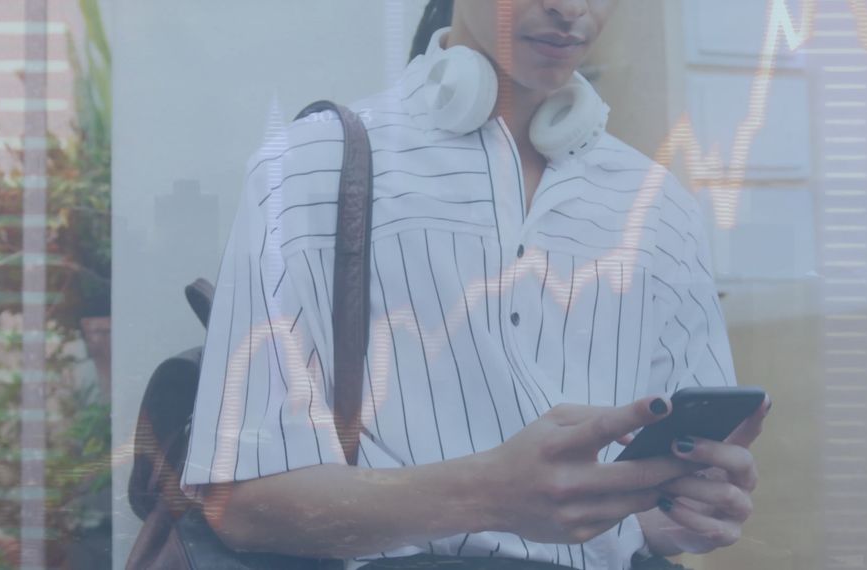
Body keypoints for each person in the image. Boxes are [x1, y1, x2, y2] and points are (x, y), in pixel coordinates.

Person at [181, 1, 771, 568]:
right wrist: (485, 495)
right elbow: (240, 504)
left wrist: (672, 514)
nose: (571, 7)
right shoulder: (312, 167)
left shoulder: (659, 206)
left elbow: (664, 510)